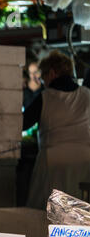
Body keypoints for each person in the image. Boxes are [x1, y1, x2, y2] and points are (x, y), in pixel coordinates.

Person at [23, 50, 90, 210]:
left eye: (43, 76)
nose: (43, 81)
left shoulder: (45, 97)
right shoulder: (87, 95)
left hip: (52, 162)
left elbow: (23, 123)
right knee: (80, 212)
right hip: (85, 161)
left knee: (47, 213)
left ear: (52, 73)